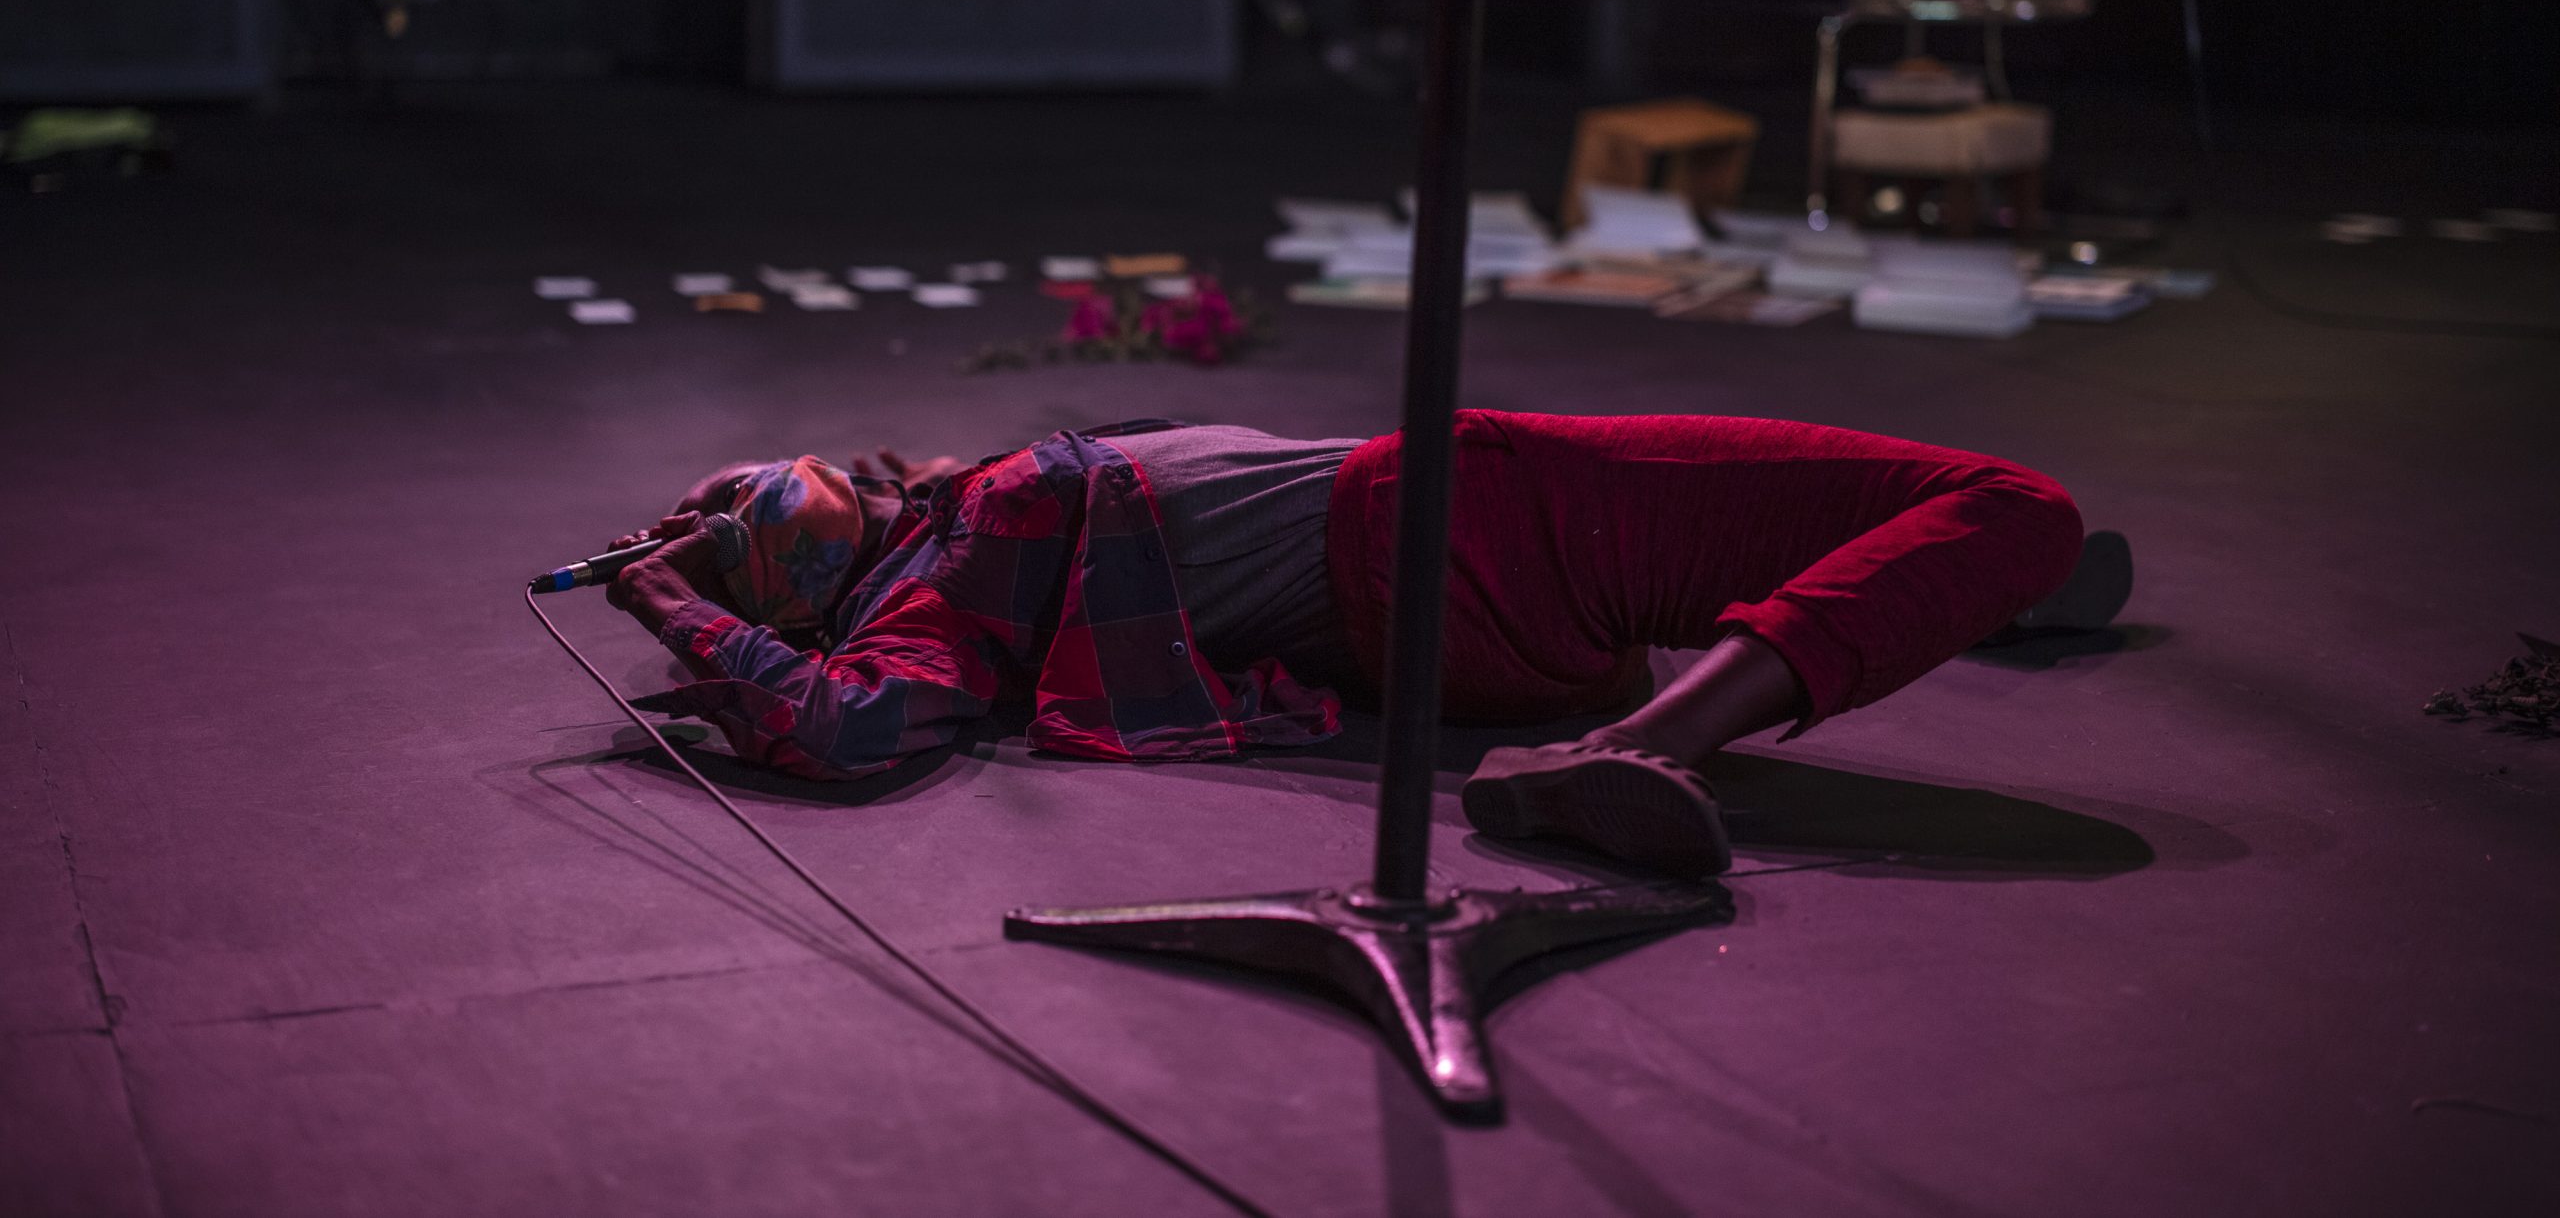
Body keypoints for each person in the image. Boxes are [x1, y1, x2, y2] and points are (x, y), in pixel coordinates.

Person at [602, 414, 2131, 880]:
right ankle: (1644, 751)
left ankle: (1973, 593)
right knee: (2013, 499)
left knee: (1984, 540)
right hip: (1476, 511)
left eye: (712, 490)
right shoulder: (948, 571)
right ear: (787, 584)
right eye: (710, 518)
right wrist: (673, 602)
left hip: (1481, 625)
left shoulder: (947, 521)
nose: (709, 499)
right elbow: (859, 727)